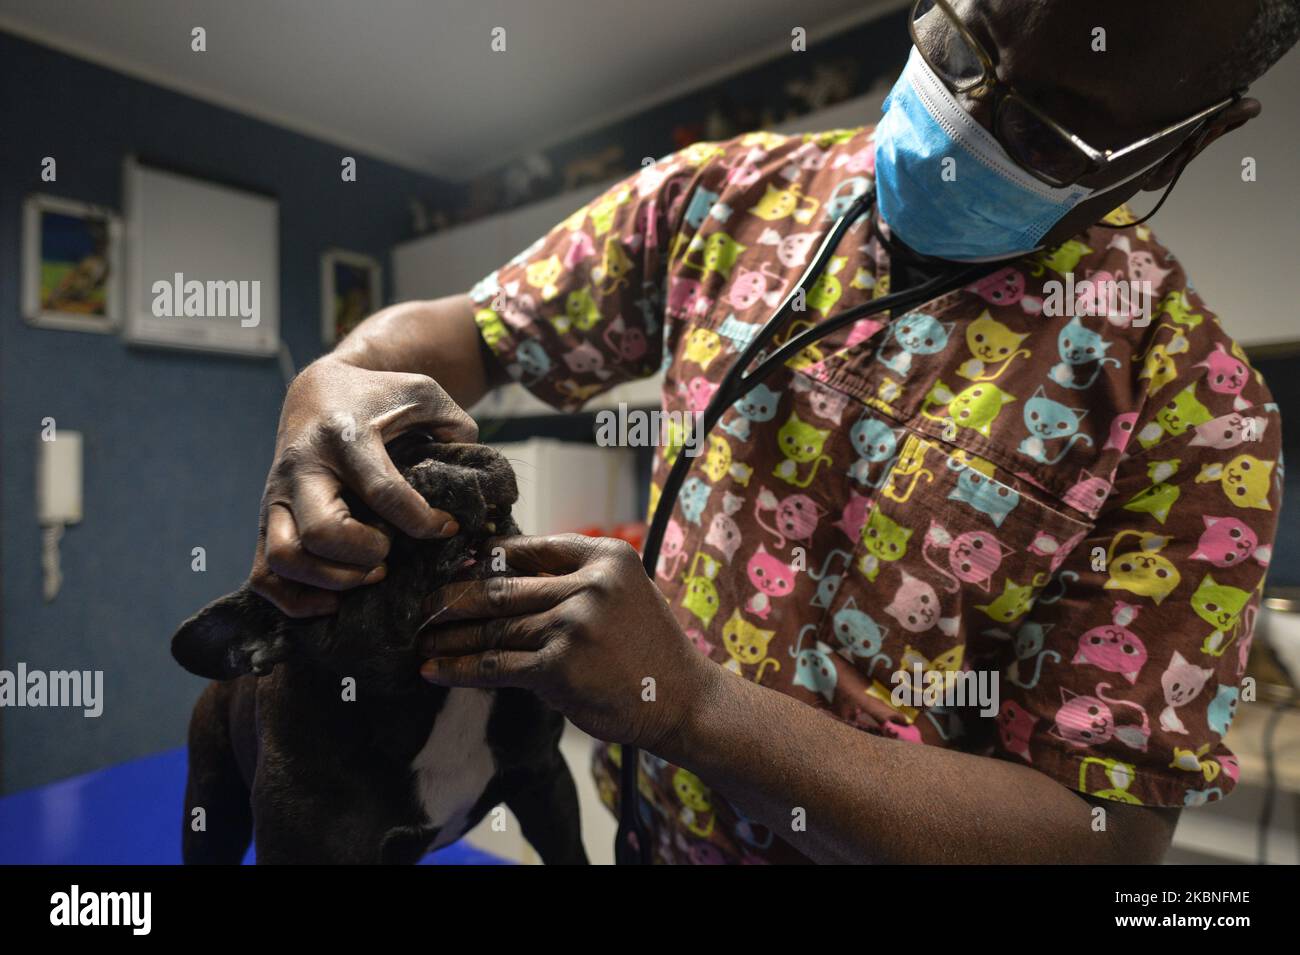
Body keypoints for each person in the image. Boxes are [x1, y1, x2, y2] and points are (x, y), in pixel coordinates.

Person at [248, 0, 1295, 863]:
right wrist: (332, 382)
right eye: (955, 47)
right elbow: (456, 334)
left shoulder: (1195, 414)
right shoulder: (719, 200)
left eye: (1045, 130)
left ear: (1198, 130)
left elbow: (1099, 844)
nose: (969, 117)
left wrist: (698, 708)